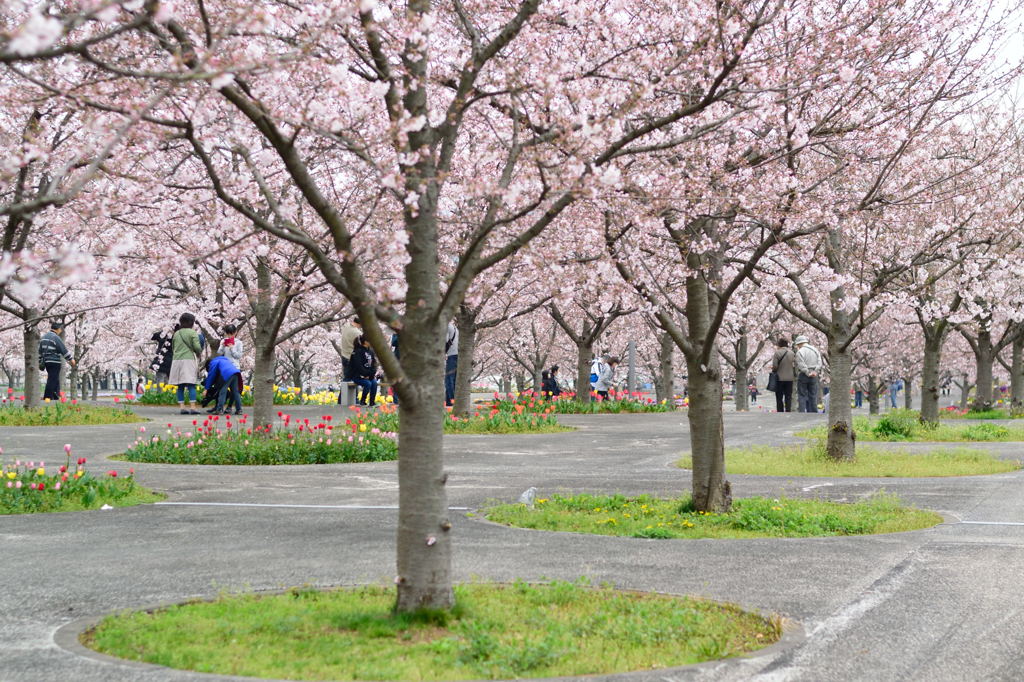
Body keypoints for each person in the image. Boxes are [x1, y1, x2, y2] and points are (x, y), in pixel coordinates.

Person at [169, 313, 203, 415]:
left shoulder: (176, 334)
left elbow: (173, 348)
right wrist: (199, 350)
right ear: (192, 322)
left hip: (176, 360)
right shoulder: (192, 333)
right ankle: (193, 407)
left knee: (180, 385)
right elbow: (197, 347)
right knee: (191, 384)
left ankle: (182, 407)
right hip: (188, 360)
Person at [39, 320, 74, 401]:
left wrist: (39, 361)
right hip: (54, 362)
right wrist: (70, 359)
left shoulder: (43, 337)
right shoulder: (55, 337)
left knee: (55, 378)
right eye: (60, 329)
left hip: (47, 362)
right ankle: (47, 397)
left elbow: (39, 351)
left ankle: (55, 396)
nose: (61, 331)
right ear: (58, 329)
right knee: (52, 378)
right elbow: (63, 349)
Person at [794, 335, 823, 413]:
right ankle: (813, 412)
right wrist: (815, 371)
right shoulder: (815, 350)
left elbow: (801, 364)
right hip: (814, 375)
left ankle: (802, 412)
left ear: (799, 344)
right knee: (813, 395)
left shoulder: (800, 352)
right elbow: (819, 362)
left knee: (802, 395)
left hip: (804, 375)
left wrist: (807, 372)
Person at [336, 318, 362, 404]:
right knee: (352, 379)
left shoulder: (346, 326)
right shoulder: (357, 333)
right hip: (352, 358)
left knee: (347, 378)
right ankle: (353, 399)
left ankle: (342, 400)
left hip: (344, 355)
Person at [349, 335, 378, 406]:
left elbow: (374, 364)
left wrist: (370, 374)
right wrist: (365, 375)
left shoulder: (371, 351)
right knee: (368, 384)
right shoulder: (357, 352)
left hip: (369, 376)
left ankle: (372, 402)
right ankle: (362, 401)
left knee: (374, 383)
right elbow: (358, 366)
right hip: (357, 376)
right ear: (365, 342)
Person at [770, 337, 795, 413]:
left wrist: (773, 369)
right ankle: (788, 410)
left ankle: (780, 411)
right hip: (790, 378)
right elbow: (794, 365)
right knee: (788, 396)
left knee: (779, 396)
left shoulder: (777, 353)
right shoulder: (792, 353)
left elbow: (775, 366)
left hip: (779, 378)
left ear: (779, 344)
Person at [445, 322, 458, 406]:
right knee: (453, 380)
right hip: (458, 355)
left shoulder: (446, 326)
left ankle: (451, 401)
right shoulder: (455, 327)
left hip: (452, 355)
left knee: (449, 379)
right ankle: (449, 401)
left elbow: (444, 340)